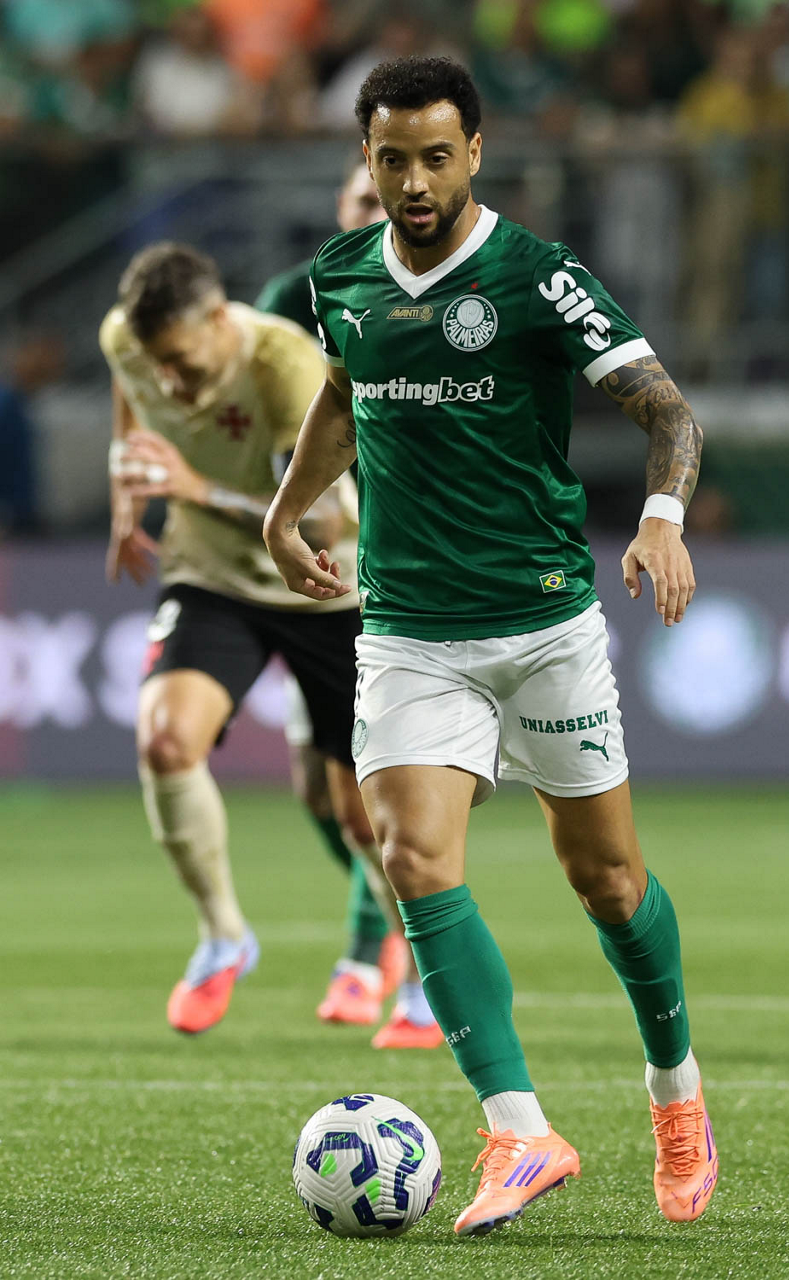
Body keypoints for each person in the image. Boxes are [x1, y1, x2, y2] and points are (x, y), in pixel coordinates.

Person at [263, 55, 717, 1236]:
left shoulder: (536, 277)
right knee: (414, 857)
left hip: (542, 626)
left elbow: (668, 412)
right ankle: (519, 1129)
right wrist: (285, 508)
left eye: (434, 156)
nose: (413, 181)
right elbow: (343, 393)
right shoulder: (338, 276)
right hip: (408, 631)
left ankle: (675, 1091)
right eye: (391, 159)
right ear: (365, 161)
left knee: (606, 881)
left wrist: (659, 519)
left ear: (474, 152)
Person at [100, 241, 440, 1048]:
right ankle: (224, 936)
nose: (170, 383)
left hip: (328, 586)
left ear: (221, 320)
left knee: (362, 815)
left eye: (184, 363)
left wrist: (194, 487)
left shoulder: (283, 365)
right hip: (213, 577)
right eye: (159, 365)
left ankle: (427, 979)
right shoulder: (127, 338)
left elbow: (321, 517)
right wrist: (127, 500)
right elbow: (132, 397)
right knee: (165, 740)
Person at [255, 158, 409, 1030]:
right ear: (340, 207)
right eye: (361, 199)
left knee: (361, 785)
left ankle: (373, 949)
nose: (376, 211)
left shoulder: (436, 294)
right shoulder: (297, 296)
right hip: (315, 551)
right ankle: (381, 933)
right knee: (319, 791)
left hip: (387, 564)